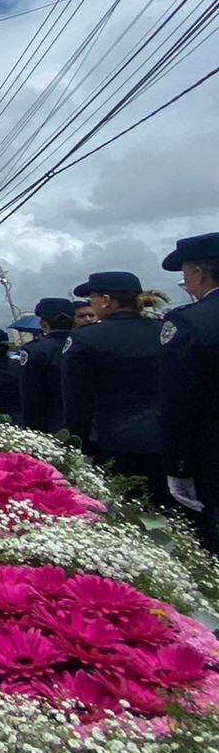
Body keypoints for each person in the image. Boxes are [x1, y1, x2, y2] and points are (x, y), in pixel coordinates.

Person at [62, 271, 166, 500]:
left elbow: (78, 400)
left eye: (92, 298)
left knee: (129, 507)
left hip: (117, 441)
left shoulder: (86, 338)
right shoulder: (164, 331)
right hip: (171, 438)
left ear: (106, 300)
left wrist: (76, 444)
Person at [159, 233, 219, 549]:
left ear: (198, 273)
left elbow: (179, 401)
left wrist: (179, 466)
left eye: (185, 276)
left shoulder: (190, 322)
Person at [17, 298, 74, 434]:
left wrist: (31, 430)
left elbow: (31, 396)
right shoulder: (86, 343)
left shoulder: (35, 350)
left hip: (52, 426)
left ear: (43, 322)